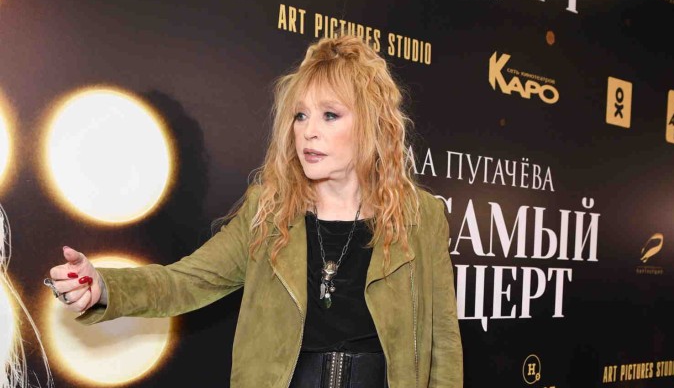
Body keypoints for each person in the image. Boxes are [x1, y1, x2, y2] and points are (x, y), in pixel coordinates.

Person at [45, 34, 463, 387]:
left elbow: (443, 342)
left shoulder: (420, 216)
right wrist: (104, 287)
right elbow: (185, 281)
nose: (309, 131)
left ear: (371, 125)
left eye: (330, 115)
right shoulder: (269, 210)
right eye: (300, 115)